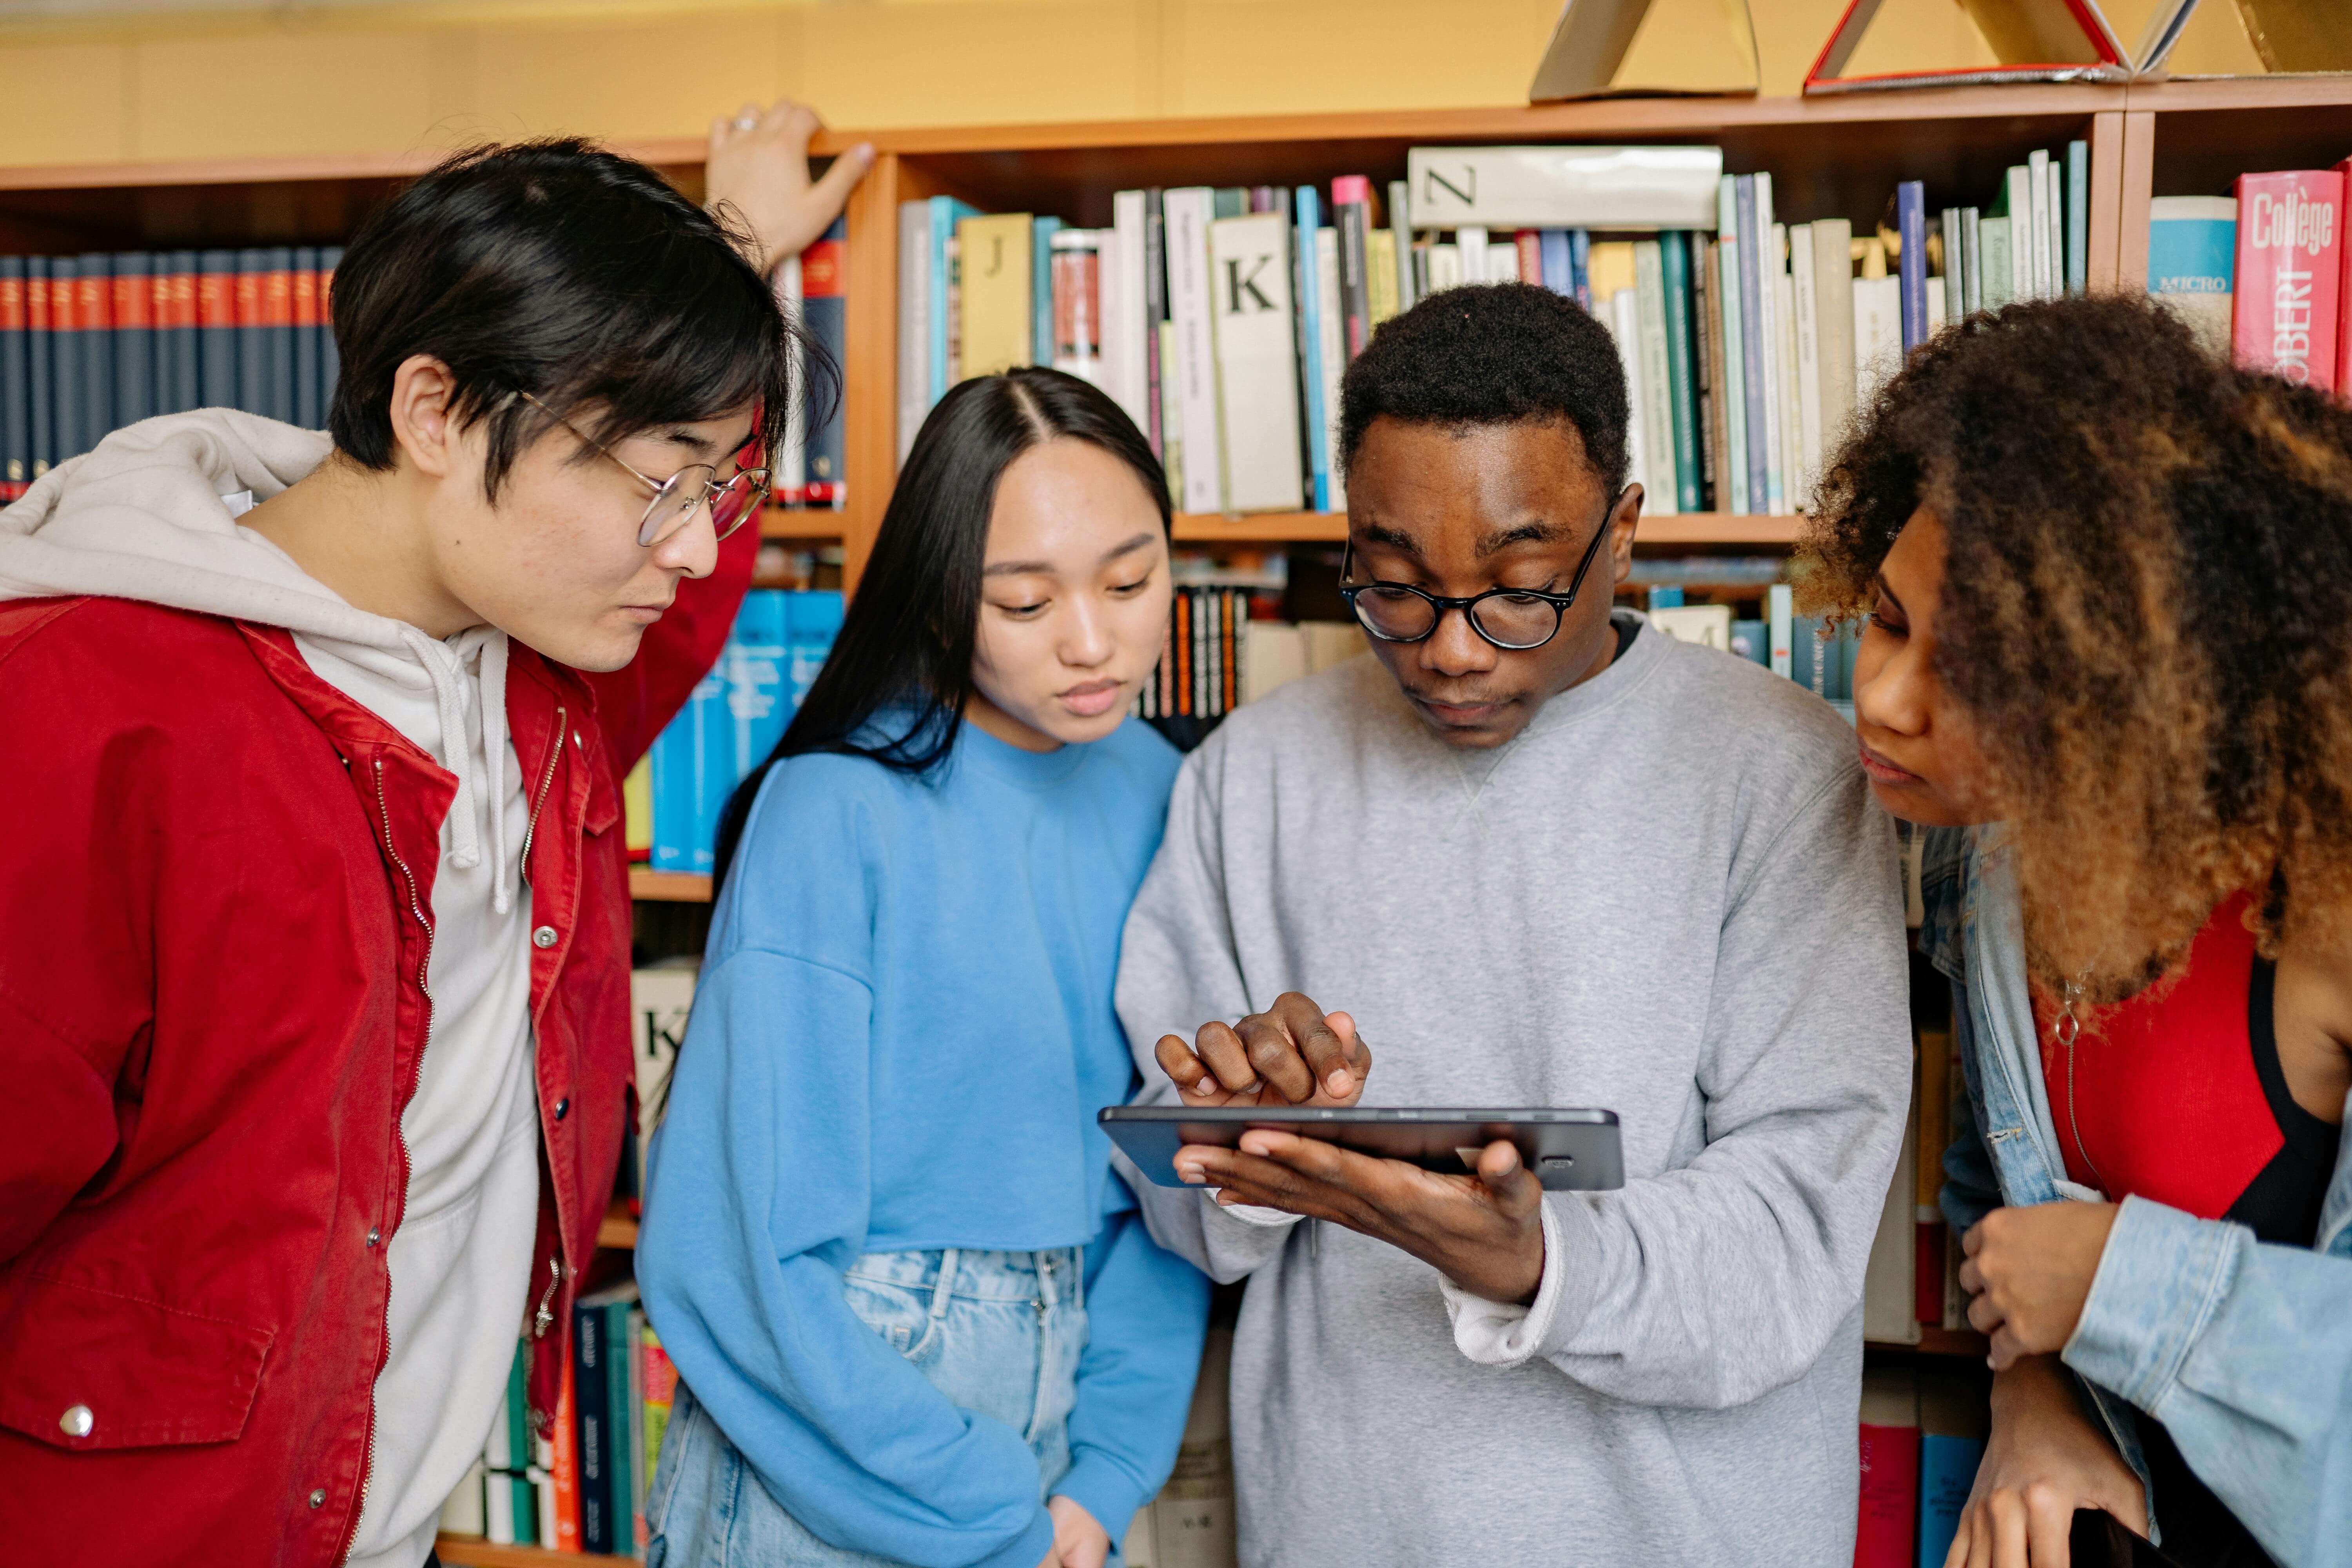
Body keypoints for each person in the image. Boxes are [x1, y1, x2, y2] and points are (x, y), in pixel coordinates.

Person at [0, 112, 861, 1568]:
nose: (701, 545)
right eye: (660, 484)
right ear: (435, 411)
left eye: (719, 487)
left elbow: (689, 584)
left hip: (369, 1518)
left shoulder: (545, 660)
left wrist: (741, 249)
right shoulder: (79, 711)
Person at [1113, 281, 1912, 1566]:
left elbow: (1795, 1235)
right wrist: (1250, 1140)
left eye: (1523, 588)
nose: (1453, 651)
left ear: (1626, 536)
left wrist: (1542, 1264)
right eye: (1393, 588)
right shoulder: (1248, 778)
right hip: (1342, 1529)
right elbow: (1179, 1214)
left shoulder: (1783, 773)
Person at [1802, 293, 2352, 1568]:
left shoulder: (2325, 908)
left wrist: (2114, 1282)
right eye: (1887, 619)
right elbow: (1997, 1187)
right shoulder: (1991, 844)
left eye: (1977, 672)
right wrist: (2033, 1389)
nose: (1880, 701)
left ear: (2128, 689)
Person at [636, 367, 1210, 1568]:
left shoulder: (1170, 795)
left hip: (1069, 1419)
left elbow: (1173, 1179)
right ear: (943, 599)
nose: (1095, 642)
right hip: (847, 1412)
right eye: (1025, 602)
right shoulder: (832, 808)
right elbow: (736, 1257)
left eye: (1133, 579)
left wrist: (1101, 1479)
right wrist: (983, 1504)